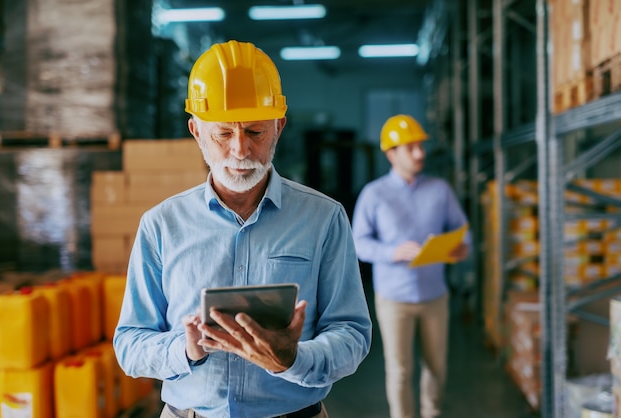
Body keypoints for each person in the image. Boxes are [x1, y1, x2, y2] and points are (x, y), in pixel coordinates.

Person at [113, 40, 372, 418]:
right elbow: (129, 345)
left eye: (255, 132)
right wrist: (186, 349)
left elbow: (351, 333)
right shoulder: (161, 225)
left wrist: (293, 358)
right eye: (223, 134)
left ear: (279, 128)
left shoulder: (324, 219)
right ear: (196, 132)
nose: (240, 150)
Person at [351, 114, 470, 418]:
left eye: (420, 146)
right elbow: (358, 244)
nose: (420, 153)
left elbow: (462, 229)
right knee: (400, 371)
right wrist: (393, 252)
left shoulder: (440, 190)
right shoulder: (374, 194)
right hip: (394, 299)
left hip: (435, 295)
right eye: (411, 147)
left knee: (436, 367)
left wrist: (459, 247)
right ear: (391, 154)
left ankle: (433, 413)